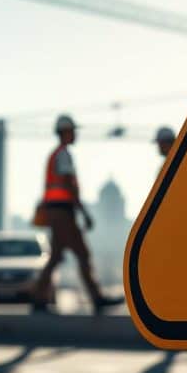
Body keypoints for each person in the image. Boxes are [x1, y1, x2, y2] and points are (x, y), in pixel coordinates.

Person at [33, 114, 124, 314]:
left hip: (57, 212)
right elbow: (67, 184)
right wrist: (84, 212)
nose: (75, 134)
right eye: (73, 131)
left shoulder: (56, 154)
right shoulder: (63, 155)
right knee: (83, 254)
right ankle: (97, 298)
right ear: (65, 132)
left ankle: (39, 298)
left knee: (56, 256)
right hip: (63, 212)